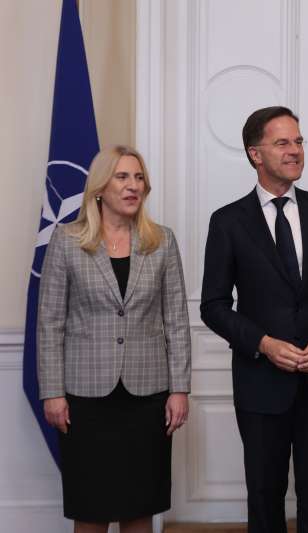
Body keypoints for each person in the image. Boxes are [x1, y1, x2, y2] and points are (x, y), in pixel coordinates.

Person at [200, 106, 308, 532]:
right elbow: (213, 305)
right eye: (282, 143)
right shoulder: (227, 221)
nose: (295, 150)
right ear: (255, 154)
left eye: (298, 141)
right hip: (261, 382)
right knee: (264, 493)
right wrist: (263, 343)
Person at [37, 145, 191, 533]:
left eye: (139, 178)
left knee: (140, 507)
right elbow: (50, 323)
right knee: (91, 509)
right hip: (86, 399)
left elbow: (176, 321)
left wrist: (179, 389)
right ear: (100, 187)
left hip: (148, 398)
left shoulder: (162, 241)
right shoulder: (67, 240)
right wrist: (52, 391)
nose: (132, 185)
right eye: (122, 177)